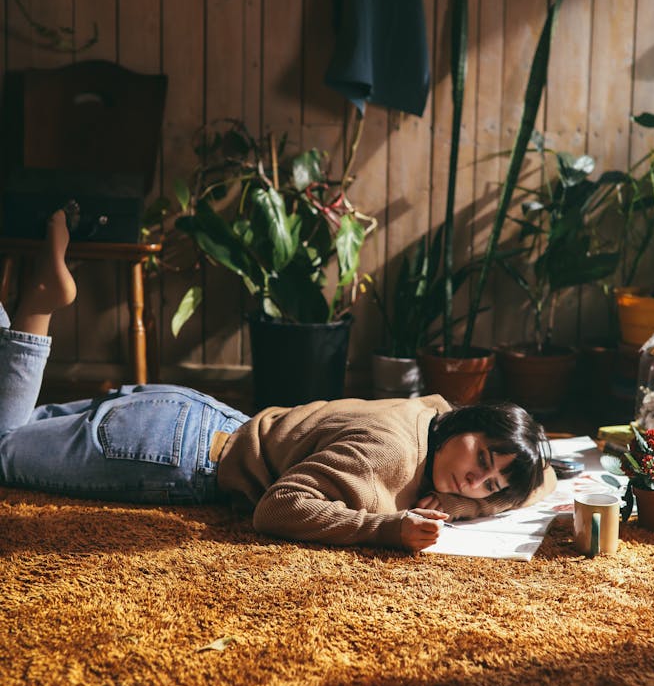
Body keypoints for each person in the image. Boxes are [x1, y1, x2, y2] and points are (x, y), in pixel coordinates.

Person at [0, 211, 556, 553]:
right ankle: (37, 309)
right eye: (481, 458)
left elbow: (540, 482)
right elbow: (278, 506)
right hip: (167, 454)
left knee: (13, 417)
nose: (475, 481)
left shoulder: (430, 412)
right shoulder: (390, 454)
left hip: (191, 415)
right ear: (470, 424)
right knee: (3, 446)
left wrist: (463, 504)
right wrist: (387, 528)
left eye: (491, 486)